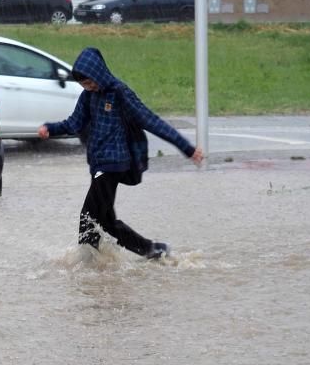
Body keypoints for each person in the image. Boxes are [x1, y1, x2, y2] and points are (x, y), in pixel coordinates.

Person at [37, 47, 203, 259]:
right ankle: (153, 250)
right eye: (83, 85)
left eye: (89, 82)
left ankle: (86, 268)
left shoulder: (119, 93)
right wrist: (51, 128)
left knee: (88, 218)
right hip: (98, 165)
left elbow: (151, 121)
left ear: (98, 73)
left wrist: (187, 148)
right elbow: (74, 122)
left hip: (113, 165)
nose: (88, 87)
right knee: (105, 221)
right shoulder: (88, 96)